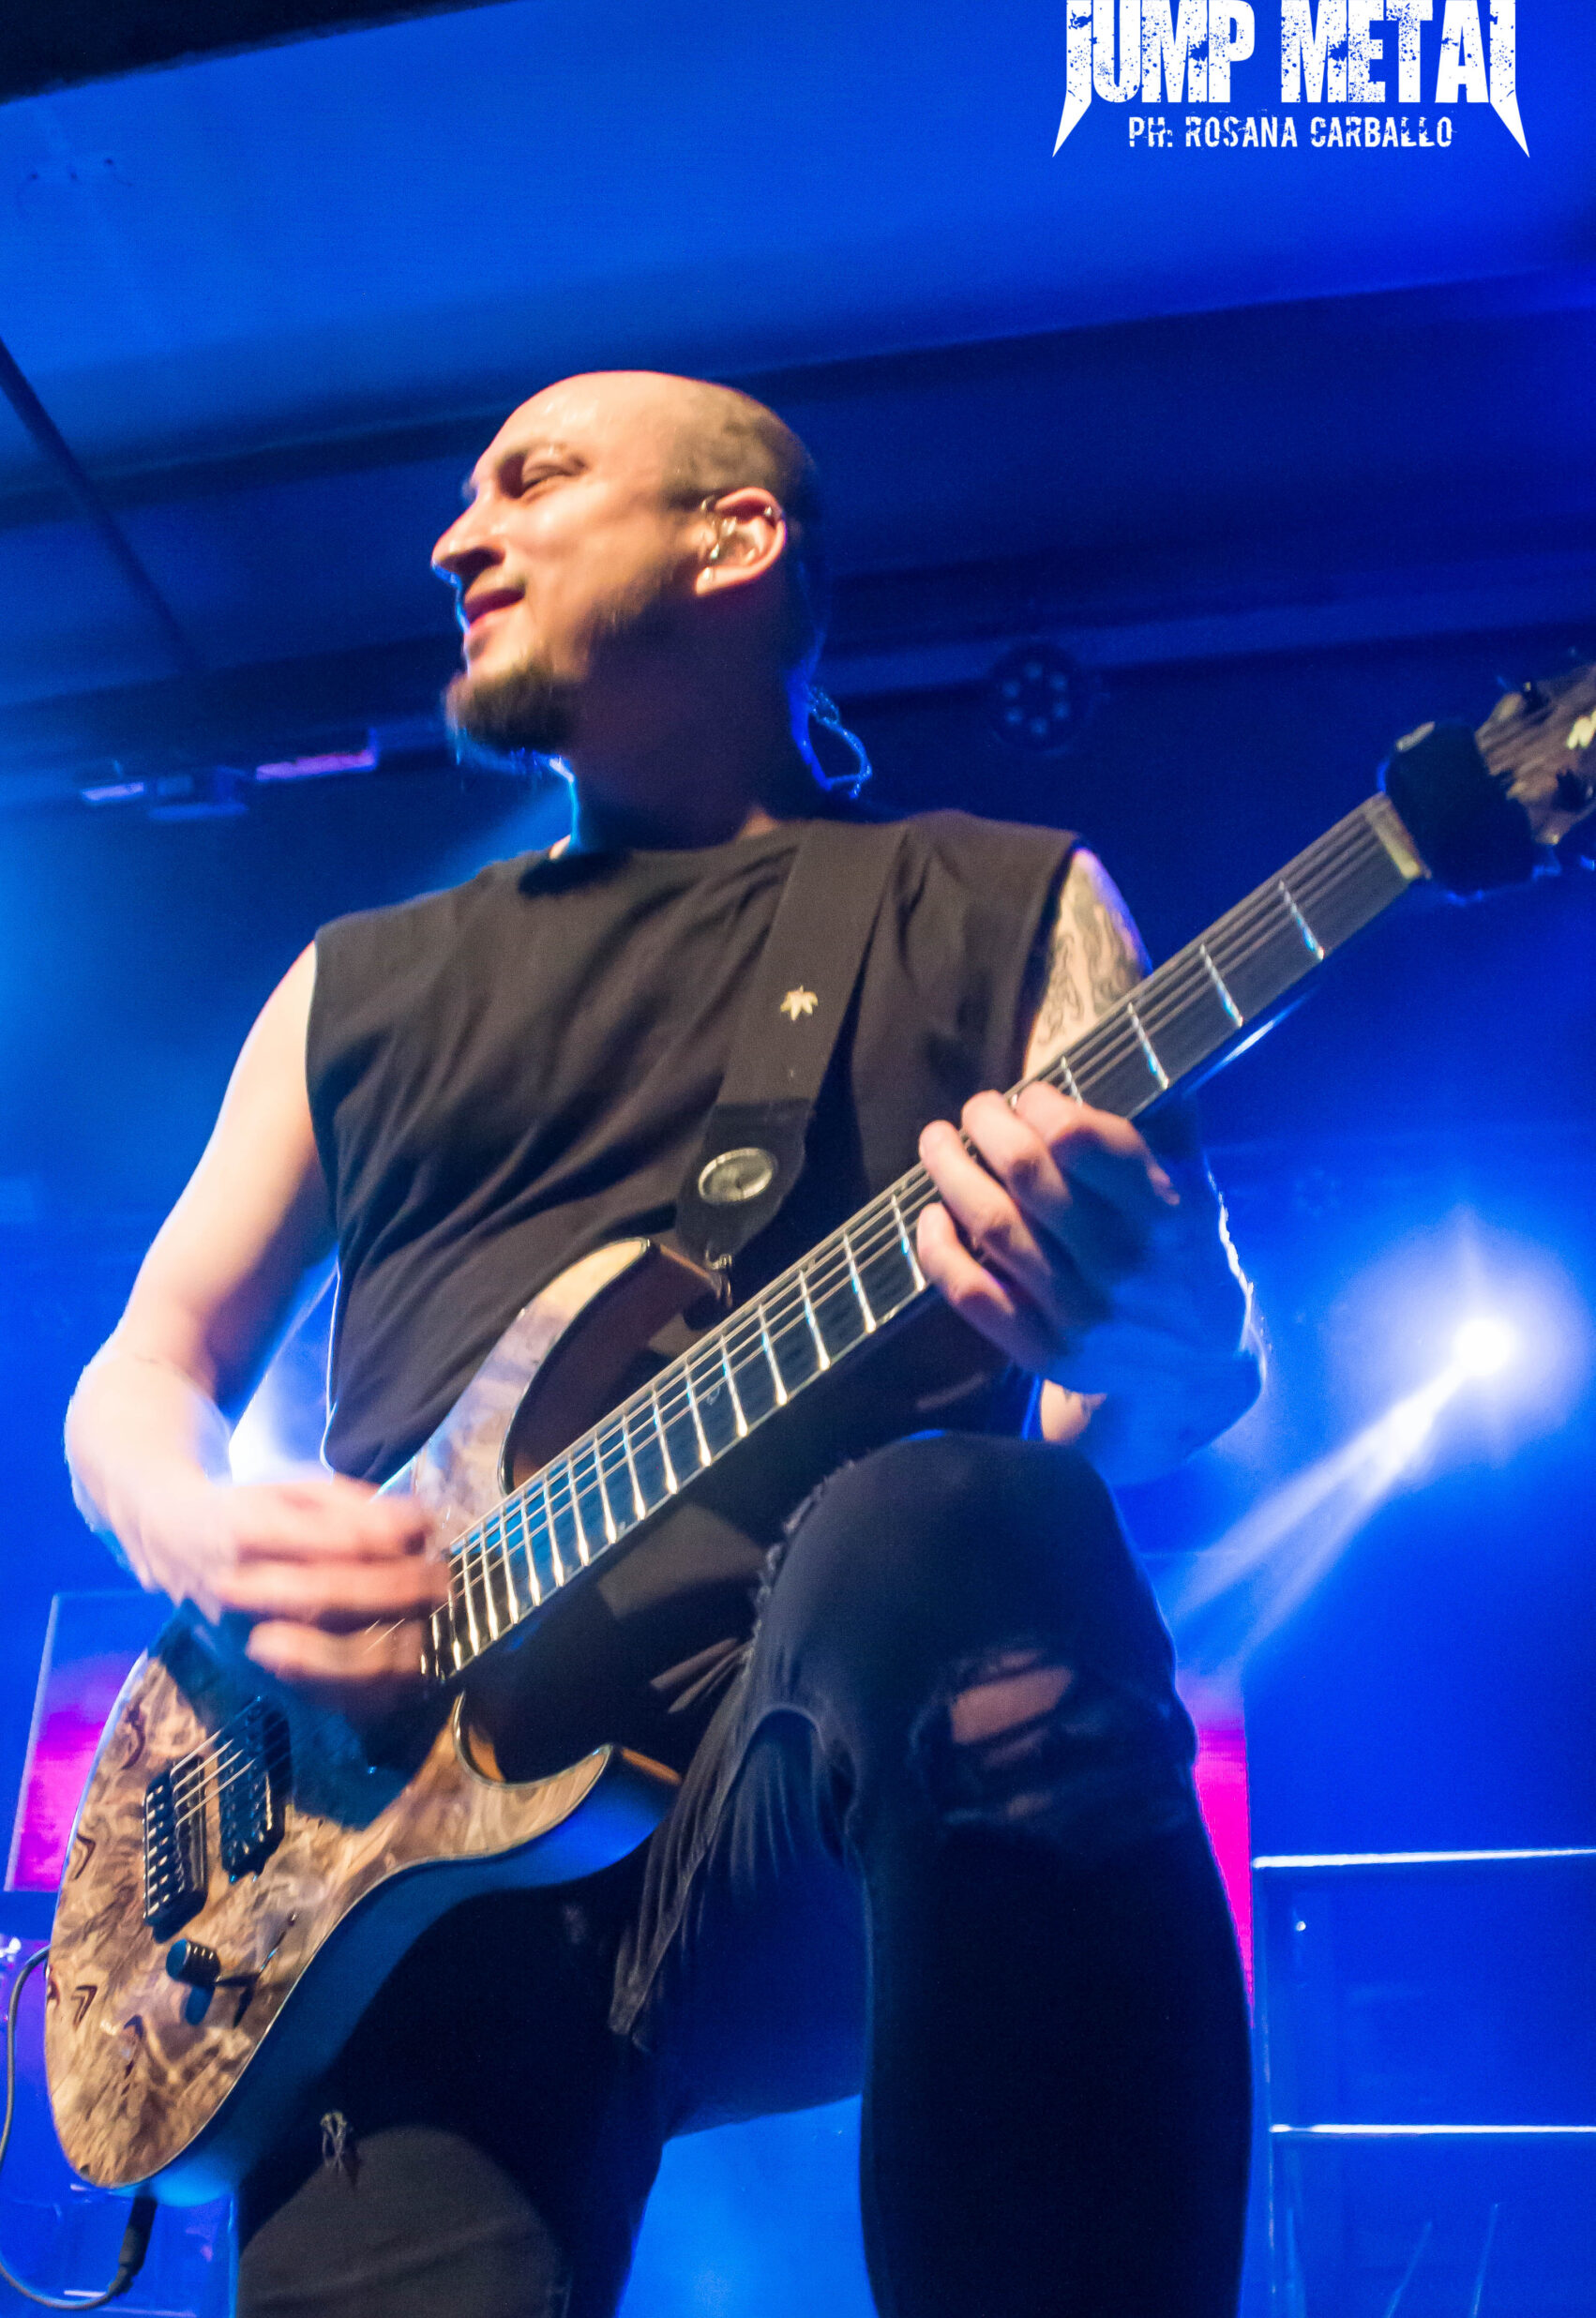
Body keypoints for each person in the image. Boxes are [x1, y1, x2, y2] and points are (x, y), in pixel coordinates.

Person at [66, 370, 1259, 2318]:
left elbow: (1116, 1426)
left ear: (734, 537)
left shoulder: (997, 904)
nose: (455, 538)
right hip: (376, 1866)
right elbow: (142, 1371)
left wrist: (1173, 1338)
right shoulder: (358, 982)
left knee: (964, 1514)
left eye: (528, 481)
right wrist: (209, 1537)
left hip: (800, 1806)